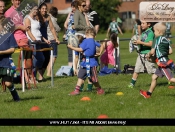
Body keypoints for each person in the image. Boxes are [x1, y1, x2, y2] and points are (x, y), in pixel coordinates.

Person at [140, 22, 174, 98]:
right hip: (165, 60)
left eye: (154, 31)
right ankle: (148, 94)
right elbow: (171, 51)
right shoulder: (166, 39)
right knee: (154, 77)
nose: (154, 33)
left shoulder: (156, 39)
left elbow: (152, 52)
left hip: (163, 63)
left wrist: (148, 55)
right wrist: (163, 52)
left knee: (171, 79)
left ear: (158, 31)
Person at [67, 27, 105, 95]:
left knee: (82, 77)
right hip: (90, 63)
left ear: (86, 34)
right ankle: (77, 90)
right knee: (87, 77)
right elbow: (102, 45)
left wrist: (71, 47)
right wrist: (100, 53)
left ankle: (99, 89)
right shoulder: (93, 41)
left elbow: (80, 49)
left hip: (88, 63)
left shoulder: (86, 41)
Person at [5, 0, 34, 84]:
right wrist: (20, 27)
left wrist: (25, 27)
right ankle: (27, 78)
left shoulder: (20, 11)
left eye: (19, 0)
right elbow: (8, 28)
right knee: (26, 56)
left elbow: (20, 24)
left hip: (24, 37)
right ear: (12, 1)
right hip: (16, 39)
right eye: (16, 0)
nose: (18, 2)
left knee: (30, 57)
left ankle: (26, 77)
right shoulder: (9, 12)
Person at [128, 21, 156, 88]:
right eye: (141, 23)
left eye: (143, 23)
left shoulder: (150, 33)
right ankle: (132, 84)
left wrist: (140, 42)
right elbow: (141, 41)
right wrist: (136, 42)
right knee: (137, 69)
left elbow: (151, 44)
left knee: (152, 70)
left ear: (148, 24)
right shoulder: (144, 33)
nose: (141, 25)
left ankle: (167, 75)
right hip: (141, 54)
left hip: (148, 54)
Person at [24, 4, 47, 83]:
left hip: (38, 42)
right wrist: (34, 39)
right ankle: (30, 77)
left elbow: (38, 32)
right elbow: (28, 31)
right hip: (32, 42)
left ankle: (32, 74)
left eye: (37, 9)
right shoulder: (28, 19)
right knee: (32, 60)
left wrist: (45, 39)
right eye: (34, 9)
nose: (36, 11)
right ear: (30, 10)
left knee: (41, 59)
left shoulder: (36, 19)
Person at [37, 2, 60, 81]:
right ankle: (38, 76)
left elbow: (52, 28)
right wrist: (43, 39)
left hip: (47, 40)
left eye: (45, 9)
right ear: (39, 10)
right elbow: (36, 30)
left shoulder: (48, 17)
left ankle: (41, 75)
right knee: (41, 58)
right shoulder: (37, 17)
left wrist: (56, 38)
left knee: (47, 58)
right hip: (39, 39)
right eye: (42, 9)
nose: (44, 10)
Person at [0, 16, 20, 101]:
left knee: (8, 84)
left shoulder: (10, 36)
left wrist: (1, 52)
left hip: (6, 63)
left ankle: (16, 97)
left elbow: (12, 49)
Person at [46, 6, 61, 77]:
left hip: (48, 38)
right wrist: (60, 28)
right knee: (54, 56)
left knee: (50, 56)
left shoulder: (47, 17)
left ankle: (49, 72)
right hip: (52, 38)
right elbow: (57, 28)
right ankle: (49, 72)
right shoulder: (52, 19)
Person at [64, 0, 78, 67]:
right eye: (72, 7)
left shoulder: (79, 14)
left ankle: (76, 68)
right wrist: (68, 29)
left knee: (76, 53)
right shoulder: (70, 14)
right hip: (69, 36)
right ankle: (70, 68)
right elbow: (65, 24)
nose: (73, 8)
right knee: (70, 53)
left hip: (76, 36)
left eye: (74, 7)